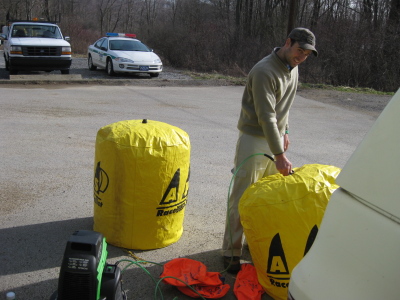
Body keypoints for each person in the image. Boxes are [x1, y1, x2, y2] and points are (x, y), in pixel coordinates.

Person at [222, 27, 318, 273]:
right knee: (242, 197)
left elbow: (284, 108)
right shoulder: (265, 71)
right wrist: (280, 156)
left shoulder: (292, 68)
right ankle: (231, 252)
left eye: (307, 54)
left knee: (269, 199)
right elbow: (266, 116)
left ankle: (255, 246)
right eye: (299, 51)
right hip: (254, 139)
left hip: (275, 137)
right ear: (288, 43)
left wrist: (286, 132)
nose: (302, 57)